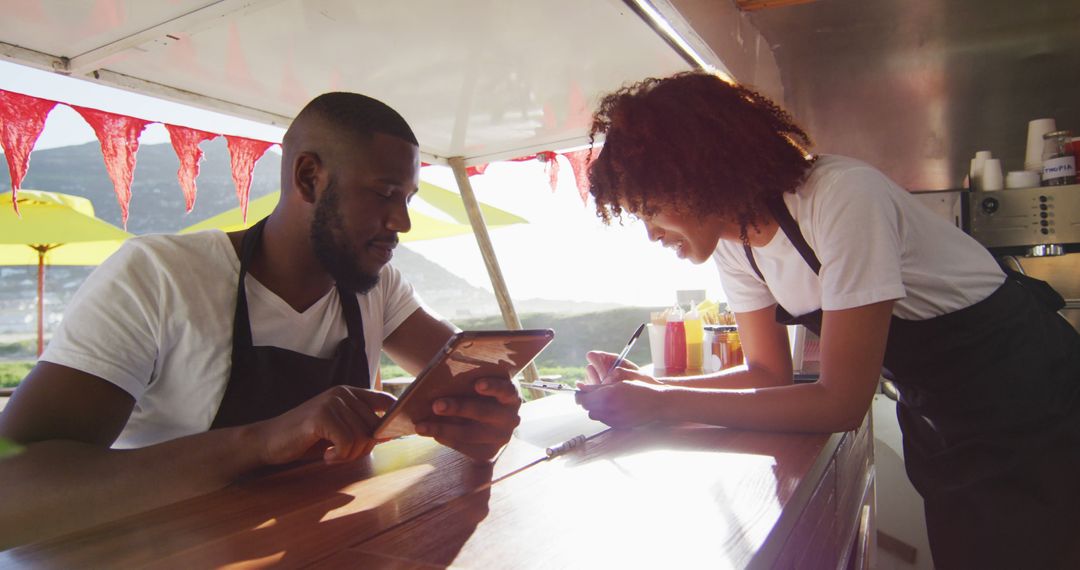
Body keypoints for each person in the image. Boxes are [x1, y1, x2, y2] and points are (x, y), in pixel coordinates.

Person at [574, 71, 1080, 569]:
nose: (652, 234)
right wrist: (647, 389)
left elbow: (840, 401)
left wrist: (662, 403)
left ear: (700, 173)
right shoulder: (735, 245)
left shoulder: (842, 196)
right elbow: (766, 374)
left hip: (1028, 393)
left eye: (652, 208)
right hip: (939, 413)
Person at [0, 92, 521, 547]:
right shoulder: (160, 277)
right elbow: (13, 489)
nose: (401, 222)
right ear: (309, 177)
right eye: (385, 194)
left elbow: (470, 372)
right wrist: (262, 440)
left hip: (332, 548)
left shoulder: (375, 286)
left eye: (407, 200)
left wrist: (481, 418)